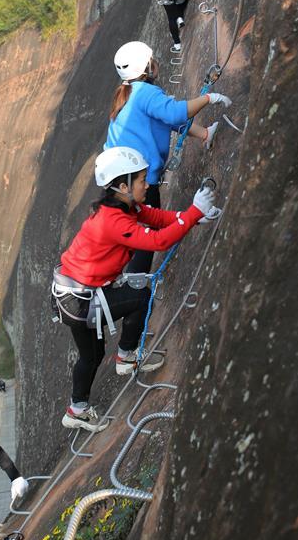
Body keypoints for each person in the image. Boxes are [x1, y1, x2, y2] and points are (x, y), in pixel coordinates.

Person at [51, 147, 221, 433]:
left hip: (72, 294)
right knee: (142, 293)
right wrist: (193, 213)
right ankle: (126, 357)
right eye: (141, 180)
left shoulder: (122, 207)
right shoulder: (113, 221)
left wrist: (193, 217)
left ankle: (76, 409)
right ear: (122, 186)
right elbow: (158, 242)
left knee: (91, 355)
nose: (146, 184)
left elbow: (156, 219)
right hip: (78, 299)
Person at [105, 40, 232, 273]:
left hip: (118, 176)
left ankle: (193, 214)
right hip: (136, 176)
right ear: (146, 68)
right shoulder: (145, 93)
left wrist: (203, 134)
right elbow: (174, 114)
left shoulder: (127, 93)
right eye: (151, 60)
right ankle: (137, 292)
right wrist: (209, 98)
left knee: (143, 223)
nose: (156, 62)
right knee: (147, 233)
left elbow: (161, 122)